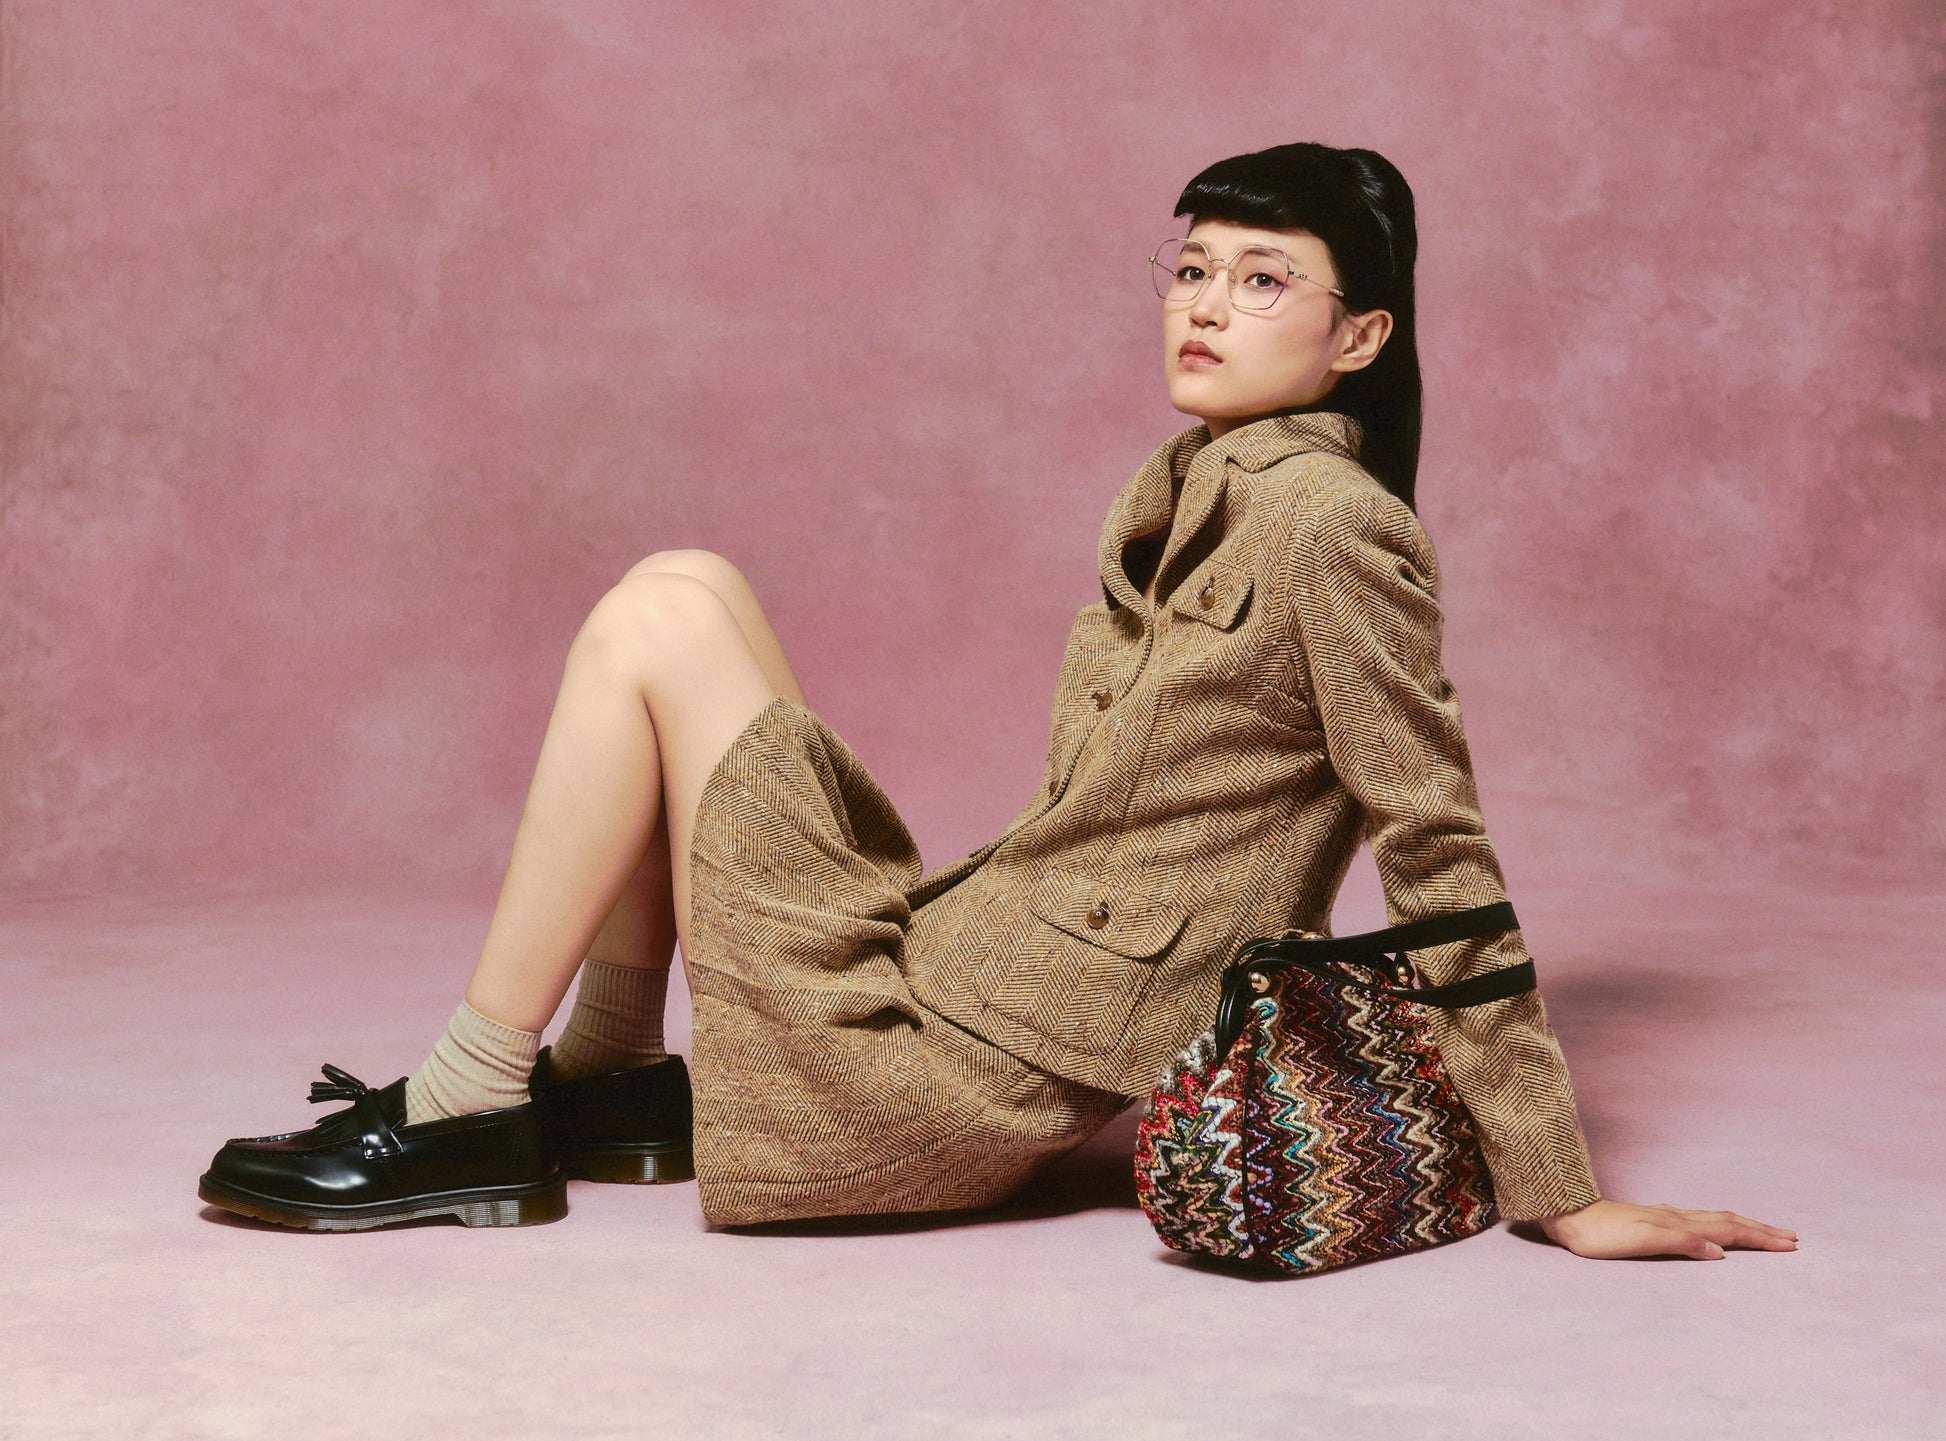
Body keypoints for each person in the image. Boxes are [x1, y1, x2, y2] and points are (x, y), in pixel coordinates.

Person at [199, 141, 1797, 1264]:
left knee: (653, 629)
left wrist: (1553, 1180)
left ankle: (471, 1100)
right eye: (1191, 268)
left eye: (1262, 280)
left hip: (945, 1079)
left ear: (1357, 338)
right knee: (686, 578)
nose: (1205, 303)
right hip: (939, 970)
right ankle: (612, 1080)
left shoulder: (1332, 529)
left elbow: (1435, 844)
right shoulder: (1199, 488)